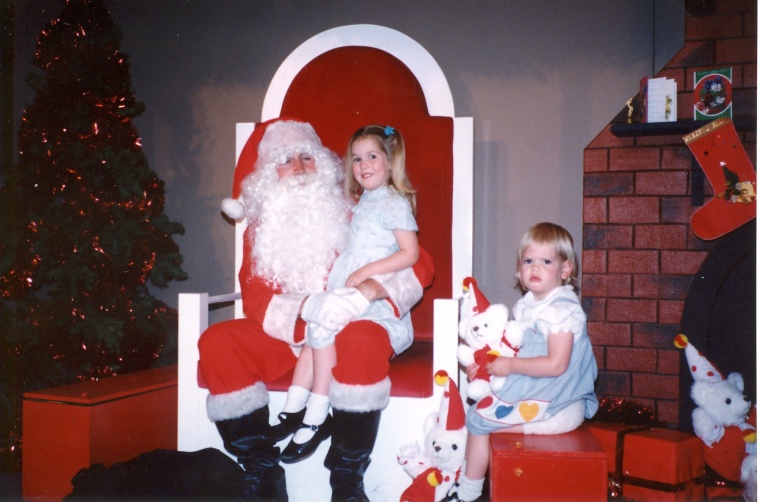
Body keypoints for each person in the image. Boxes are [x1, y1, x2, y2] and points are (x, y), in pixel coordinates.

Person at [199, 118, 434, 501]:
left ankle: (346, 480)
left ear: (323, 164)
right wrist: (310, 306)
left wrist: (371, 290)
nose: (300, 167)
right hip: (290, 338)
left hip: (351, 332)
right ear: (265, 177)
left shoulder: (358, 211)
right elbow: (256, 300)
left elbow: (420, 262)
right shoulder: (262, 232)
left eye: (307, 156)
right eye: (286, 159)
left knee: (359, 337)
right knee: (217, 341)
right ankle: (262, 474)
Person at [277, 125, 419, 463]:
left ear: (389, 161)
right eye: (356, 158)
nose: (363, 164)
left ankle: (316, 413)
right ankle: (292, 410)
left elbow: (410, 254)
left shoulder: (394, 203)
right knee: (316, 327)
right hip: (348, 286)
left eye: (372, 156)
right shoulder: (364, 200)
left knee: (323, 325)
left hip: (375, 302)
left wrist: (366, 272)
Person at [448, 222, 598, 502]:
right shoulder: (530, 305)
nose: (535, 268)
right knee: (481, 408)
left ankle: (467, 495)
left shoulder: (562, 311)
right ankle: (464, 481)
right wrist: (486, 369)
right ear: (519, 270)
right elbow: (513, 351)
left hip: (558, 405)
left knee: (478, 421)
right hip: (541, 391)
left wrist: (509, 366)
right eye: (528, 261)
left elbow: (556, 365)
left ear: (565, 270)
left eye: (546, 261)